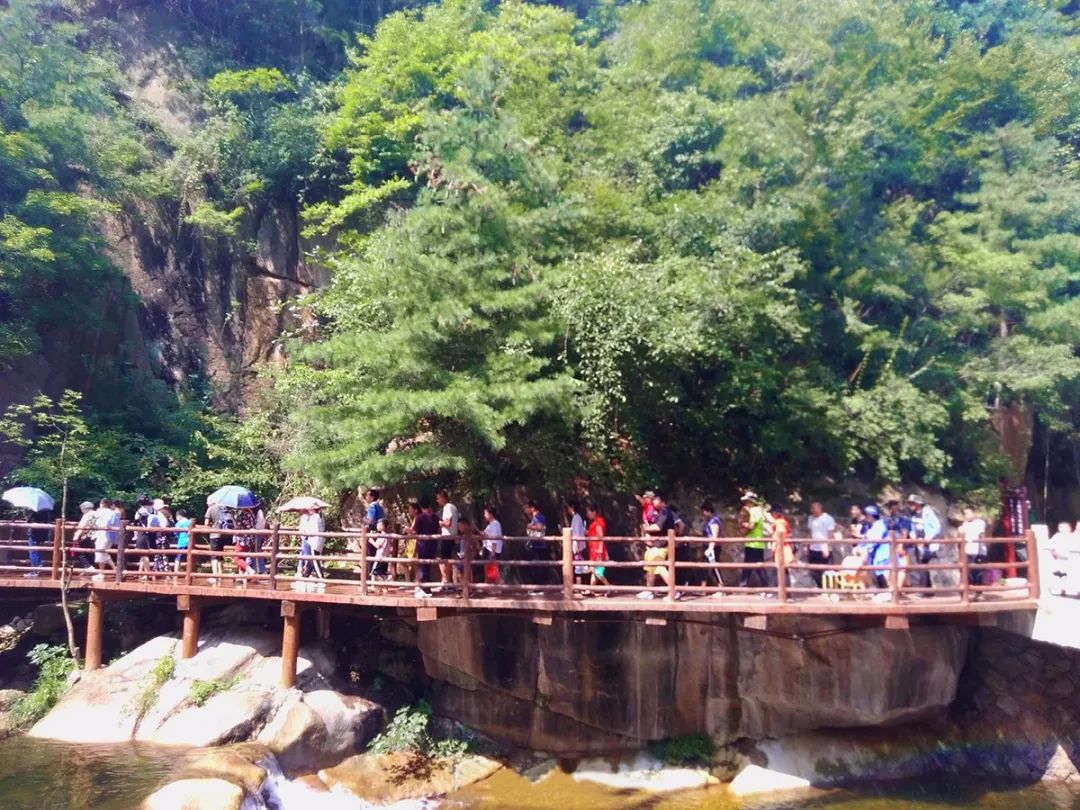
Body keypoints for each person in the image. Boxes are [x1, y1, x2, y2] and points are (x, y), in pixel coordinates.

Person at [639, 492, 676, 599]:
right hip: (656, 544)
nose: (654, 502)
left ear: (662, 502)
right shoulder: (659, 512)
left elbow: (658, 527)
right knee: (650, 566)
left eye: (656, 500)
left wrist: (646, 528)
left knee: (659, 567)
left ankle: (674, 590)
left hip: (662, 544)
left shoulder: (665, 512)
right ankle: (649, 590)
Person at [908, 494, 943, 588]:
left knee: (923, 563)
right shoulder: (913, 515)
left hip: (927, 543)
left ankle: (925, 588)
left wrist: (929, 538)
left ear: (918, 503)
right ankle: (927, 588)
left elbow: (937, 526)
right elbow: (912, 528)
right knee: (921, 564)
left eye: (912, 503)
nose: (910, 505)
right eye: (910, 503)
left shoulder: (928, 512)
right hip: (918, 542)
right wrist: (913, 536)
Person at [739, 491, 770, 589]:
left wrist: (743, 525)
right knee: (750, 565)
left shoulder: (755, 511)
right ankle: (743, 584)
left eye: (747, 501)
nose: (745, 503)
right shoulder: (756, 511)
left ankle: (766, 586)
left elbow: (752, 525)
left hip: (755, 543)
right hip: (753, 542)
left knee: (757, 567)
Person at [412, 498, 441, 598]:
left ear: (420, 506)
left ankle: (426, 590)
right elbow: (437, 529)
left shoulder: (419, 517)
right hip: (433, 544)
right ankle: (426, 588)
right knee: (427, 567)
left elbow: (416, 531)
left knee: (423, 567)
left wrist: (409, 531)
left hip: (423, 544)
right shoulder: (435, 517)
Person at [807, 502, 836, 587]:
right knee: (813, 569)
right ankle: (819, 586)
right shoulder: (810, 518)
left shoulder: (828, 518)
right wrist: (806, 545)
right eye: (811, 508)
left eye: (814, 508)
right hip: (813, 547)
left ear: (820, 508)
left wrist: (827, 546)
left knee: (826, 569)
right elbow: (810, 532)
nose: (812, 510)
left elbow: (830, 534)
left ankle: (828, 587)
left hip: (824, 548)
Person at [960, 506, 987, 589]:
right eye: (965, 514)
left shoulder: (980, 522)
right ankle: (969, 591)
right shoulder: (965, 524)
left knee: (978, 573)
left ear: (974, 514)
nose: (966, 515)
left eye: (968, 513)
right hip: (968, 551)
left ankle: (978, 591)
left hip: (979, 551)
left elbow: (980, 534)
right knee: (967, 572)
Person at [585, 503, 610, 593]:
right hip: (593, 550)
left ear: (594, 512)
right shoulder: (595, 523)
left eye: (588, 512)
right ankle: (591, 589)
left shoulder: (599, 523)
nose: (587, 514)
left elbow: (600, 537)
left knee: (597, 571)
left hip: (597, 550)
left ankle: (609, 587)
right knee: (594, 570)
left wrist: (599, 551)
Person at [365, 489, 390, 580]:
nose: (366, 497)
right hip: (379, 533)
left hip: (373, 533)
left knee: (371, 556)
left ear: (372, 497)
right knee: (378, 556)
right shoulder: (380, 507)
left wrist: (365, 525)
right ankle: (379, 580)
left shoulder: (372, 507)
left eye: (368, 495)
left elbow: (370, 520)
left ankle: (370, 580)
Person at [436, 490, 459, 586]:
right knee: (447, 559)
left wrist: (440, 523)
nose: (437, 500)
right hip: (452, 536)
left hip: (447, 536)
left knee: (441, 559)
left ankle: (446, 581)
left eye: (438, 498)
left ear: (443, 498)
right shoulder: (453, 507)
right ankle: (446, 581)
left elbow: (448, 523)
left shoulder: (447, 507)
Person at [524, 500, 550, 587]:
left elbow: (540, 527)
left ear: (532, 508)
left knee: (538, 567)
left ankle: (539, 587)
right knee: (535, 567)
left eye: (528, 508)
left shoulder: (539, 517)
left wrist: (530, 526)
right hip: (534, 545)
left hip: (539, 546)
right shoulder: (534, 518)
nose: (527, 510)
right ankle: (537, 586)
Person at [298, 506, 326, 580]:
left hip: (314, 540)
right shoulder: (318, 516)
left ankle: (320, 577)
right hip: (314, 540)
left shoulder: (315, 517)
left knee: (313, 560)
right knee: (311, 559)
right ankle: (306, 575)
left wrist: (306, 533)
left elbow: (314, 529)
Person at [92, 498, 119, 575]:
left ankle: (105, 571)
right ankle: (103, 572)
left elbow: (95, 522)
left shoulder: (99, 512)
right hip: (110, 534)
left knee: (101, 551)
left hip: (102, 533)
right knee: (103, 552)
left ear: (102, 504)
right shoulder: (113, 513)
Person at [203, 497, 227, 580]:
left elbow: (206, 523)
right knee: (220, 555)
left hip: (214, 535)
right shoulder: (223, 508)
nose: (207, 503)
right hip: (224, 534)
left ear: (212, 501)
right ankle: (221, 575)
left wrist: (210, 524)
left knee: (214, 555)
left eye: (208, 501)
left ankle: (215, 575)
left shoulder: (211, 509)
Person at [702, 503, 723, 589]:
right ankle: (703, 588)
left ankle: (721, 587)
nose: (703, 514)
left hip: (713, 547)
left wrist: (710, 548)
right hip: (708, 546)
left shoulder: (714, 521)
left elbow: (715, 535)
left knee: (714, 567)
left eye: (704, 511)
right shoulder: (709, 521)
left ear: (709, 511)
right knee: (705, 567)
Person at [148, 498, 172, 574]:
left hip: (160, 536)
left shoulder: (158, 514)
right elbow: (166, 525)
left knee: (159, 554)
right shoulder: (163, 514)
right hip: (163, 536)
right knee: (162, 554)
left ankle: (159, 570)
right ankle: (164, 570)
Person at [567, 501, 588, 586]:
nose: (567, 510)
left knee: (578, 566)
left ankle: (580, 586)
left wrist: (576, 546)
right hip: (577, 545)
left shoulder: (576, 518)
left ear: (572, 507)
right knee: (578, 566)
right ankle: (579, 585)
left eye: (568, 508)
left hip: (577, 545)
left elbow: (577, 533)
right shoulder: (576, 518)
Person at [72, 501, 97, 570]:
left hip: (87, 536)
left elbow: (82, 526)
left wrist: (76, 536)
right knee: (90, 552)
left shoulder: (87, 515)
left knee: (78, 551)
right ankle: (91, 566)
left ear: (84, 508)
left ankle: (88, 566)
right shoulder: (97, 514)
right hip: (96, 536)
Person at [482, 506, 504, 585]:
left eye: (485, 513)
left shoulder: (495, 524)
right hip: (488, 548)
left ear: (490, 514)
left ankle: (498, 585)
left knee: (493, 569)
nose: (484, 515)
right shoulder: (490, 525)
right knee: (490, 569)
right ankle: (491, 585)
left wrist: (493, 552)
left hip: (492, 550)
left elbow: (494, 539)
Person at [133, 494, 153, 577]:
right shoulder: (153, 510)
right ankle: (142, 572)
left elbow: (136, 524)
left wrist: (135, 534)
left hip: (142, 533)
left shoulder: (139, 512)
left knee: (144, 554)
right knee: (145, 554)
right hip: (152, 533)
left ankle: (147, 573)